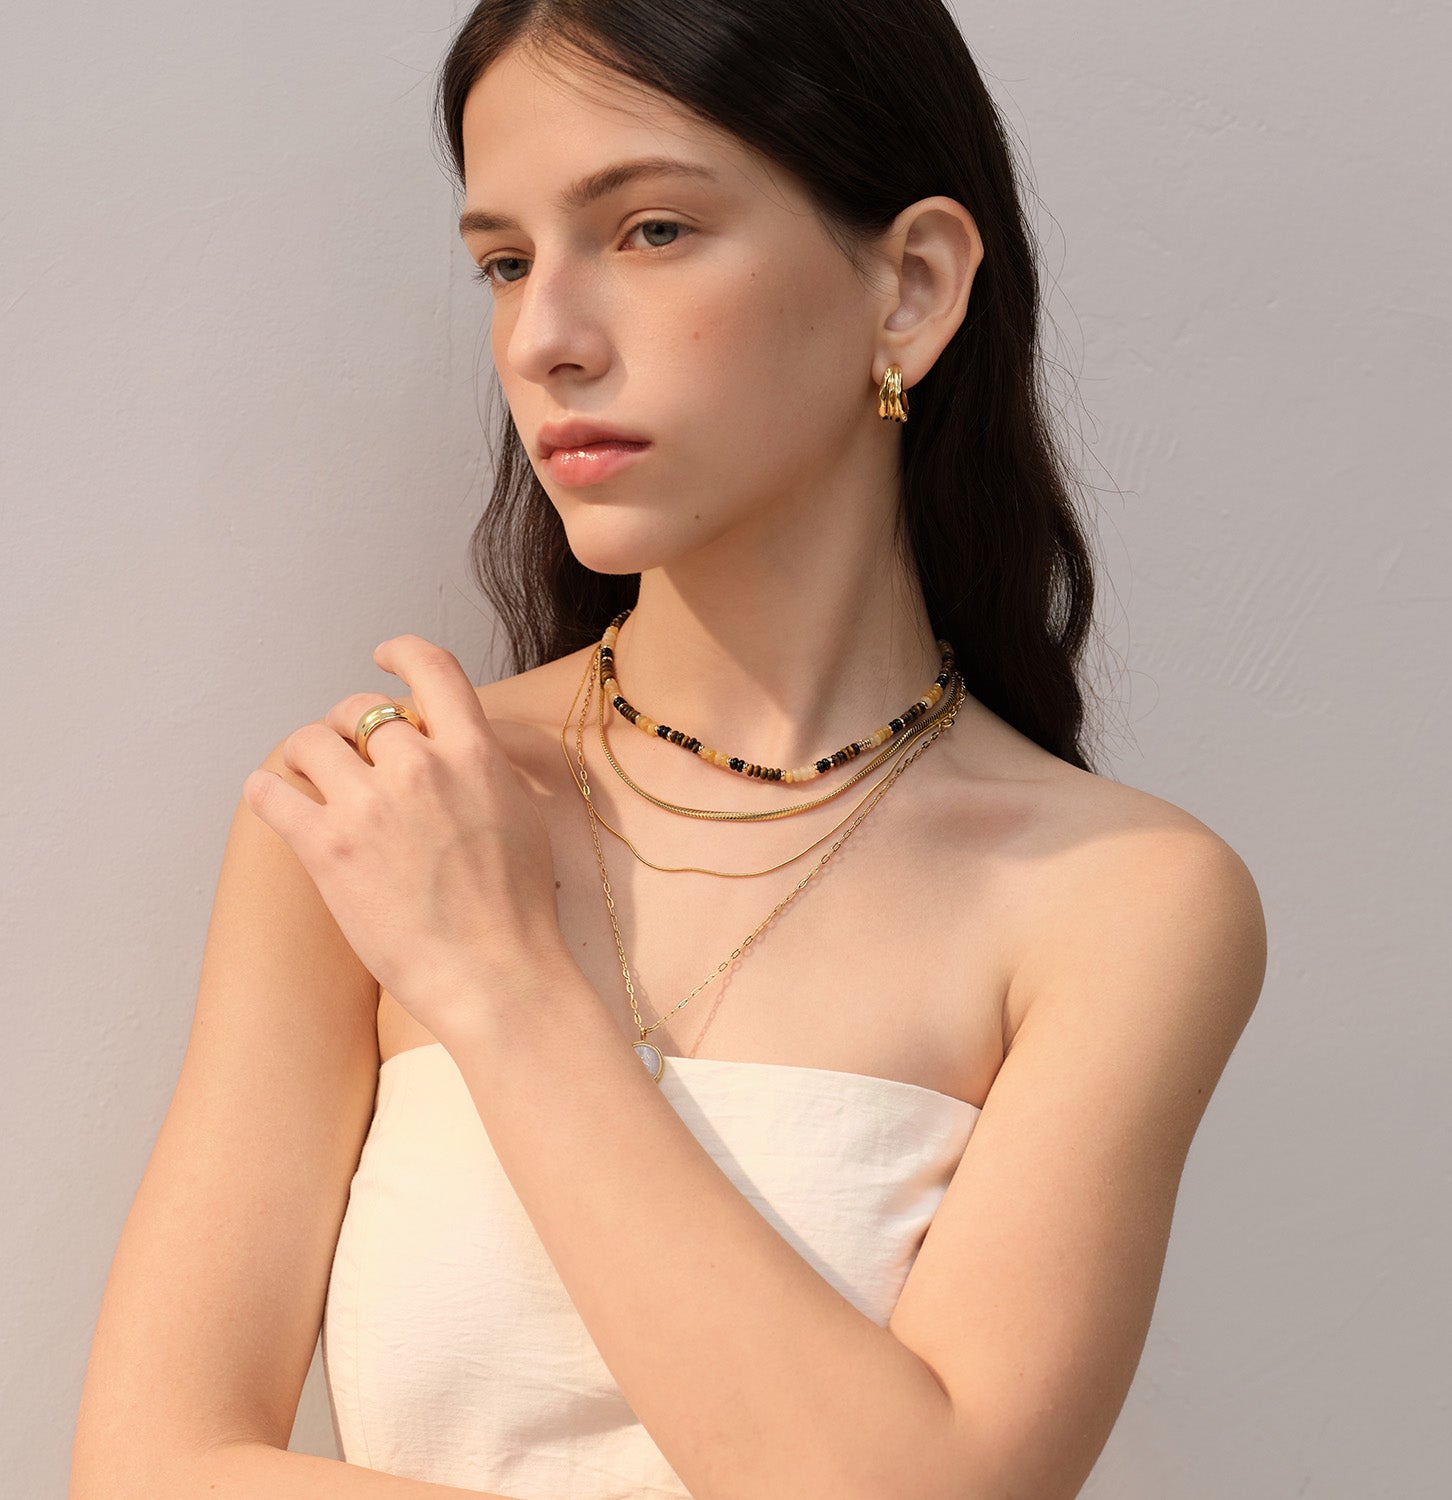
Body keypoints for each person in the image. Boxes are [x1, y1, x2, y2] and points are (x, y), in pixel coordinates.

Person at [70, 3, 1268, 1498]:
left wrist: (503, 986)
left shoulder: (1127, 902)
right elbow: (147, 1466)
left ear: (910, 287)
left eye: (650, 231)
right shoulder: (381, 814)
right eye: (506, 262)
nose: (544, 342)